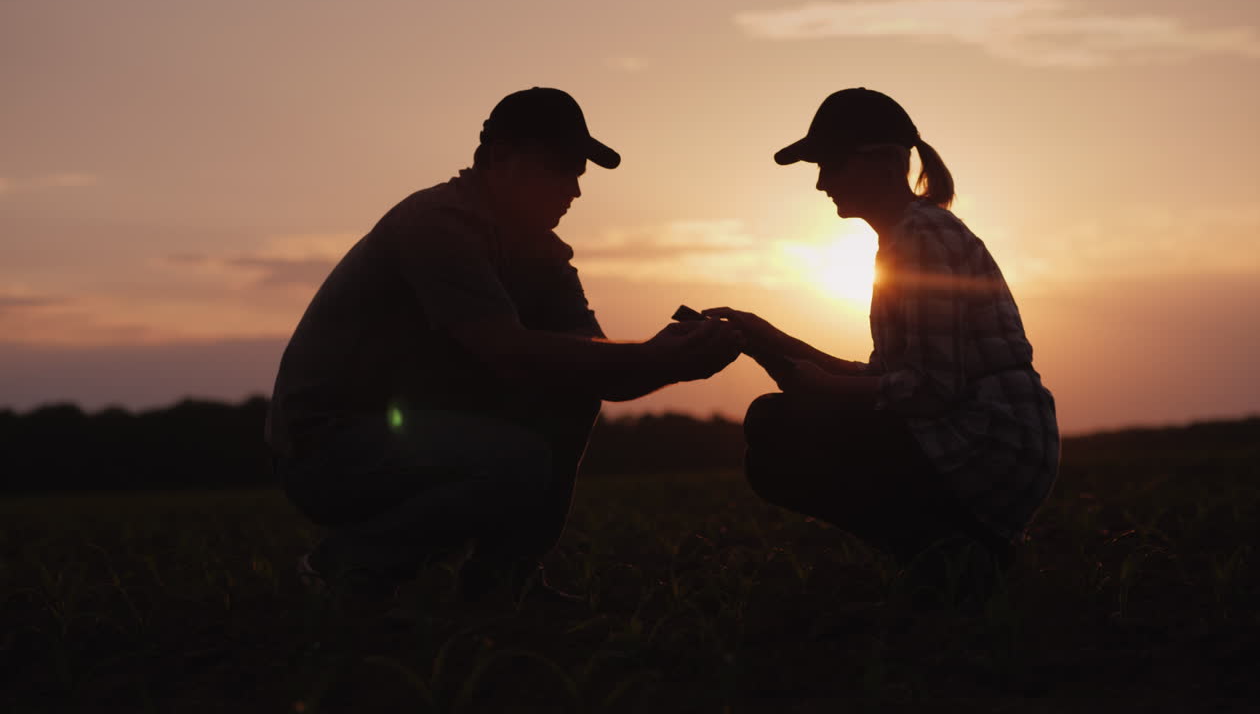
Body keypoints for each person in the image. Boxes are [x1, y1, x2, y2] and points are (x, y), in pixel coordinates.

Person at [266, 87, 742, 606]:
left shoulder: (541, 254)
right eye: (560, 166)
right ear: (498, 159)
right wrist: (654, 357)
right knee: (518, 461)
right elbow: (503, 350)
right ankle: (343, 566)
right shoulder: (437, 223)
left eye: (579, 171)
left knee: (568, 398)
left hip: (420, 428)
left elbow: (598, 368)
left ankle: (502, 586)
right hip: (328, 447)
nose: (574, 189)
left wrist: (675, 359)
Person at [707, 88, 1059, 604]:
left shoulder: (920, 239)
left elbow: (929, 390)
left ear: (884, 162)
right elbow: (888, 378)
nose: (822, 182)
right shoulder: (904, 239)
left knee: (776, 428)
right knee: (775, 425)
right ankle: (949, 555)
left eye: (831, 164)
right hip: (973, 434)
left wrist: (822, 387)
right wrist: (766, 339)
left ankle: (952, 555)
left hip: (989, 443)